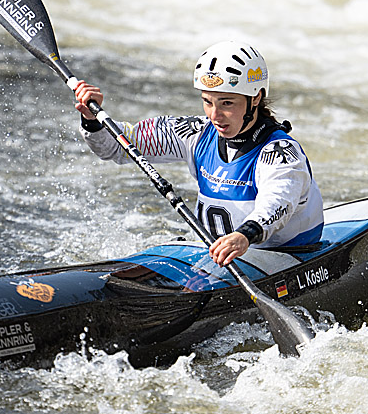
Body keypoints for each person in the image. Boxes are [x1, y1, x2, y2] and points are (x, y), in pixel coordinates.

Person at [73, 41, 323, 267]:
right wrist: (92, 119)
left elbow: (278, 202)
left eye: (227, 103)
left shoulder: (280, 153)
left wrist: (244, 235)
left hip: (285, 258)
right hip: (218, 258)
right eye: (207, 101)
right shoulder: (196, 133)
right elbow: (116, 147)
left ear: (255, 98)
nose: (214, 115)